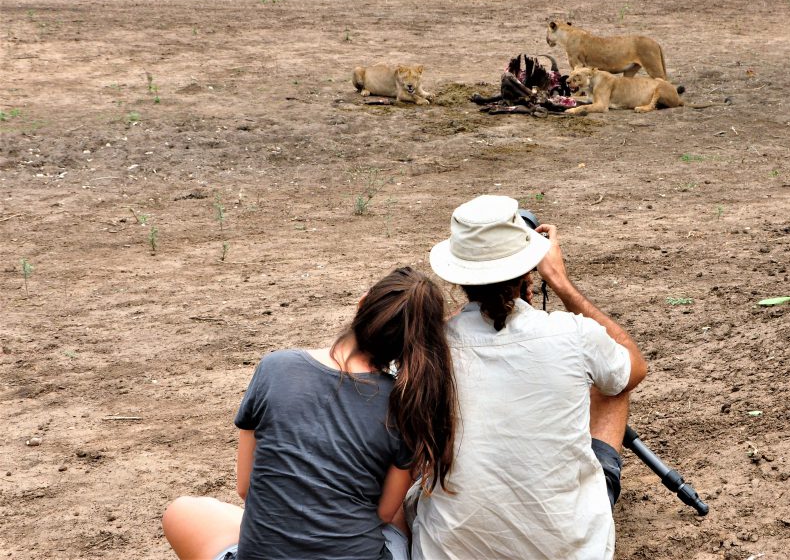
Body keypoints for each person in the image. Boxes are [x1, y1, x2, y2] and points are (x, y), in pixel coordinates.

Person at [162, 267, 456, 560]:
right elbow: (383, 513)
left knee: (183, 510)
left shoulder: (275, 367)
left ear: (363, 302)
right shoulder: (405, 404)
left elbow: (245, 487)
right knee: (400, 518)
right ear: (417, 343)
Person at [413, 195, 648, 560]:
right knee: (614, 384)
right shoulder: (573, 334)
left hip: (451, 550)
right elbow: (634, 367)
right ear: (530, 270)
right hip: (567, 549)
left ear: (459, 275)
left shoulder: (430, 347)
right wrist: (561, 283)